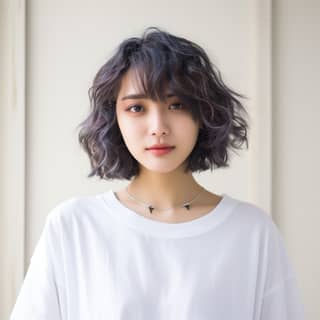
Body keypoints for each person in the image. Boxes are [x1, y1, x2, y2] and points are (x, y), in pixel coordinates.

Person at [10, 27, 305, 319]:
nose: (158, 127)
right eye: (137, 108)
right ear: (115, 118)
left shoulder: (251, 231)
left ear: (203, 114)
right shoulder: (73, 227)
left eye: (177, 105)